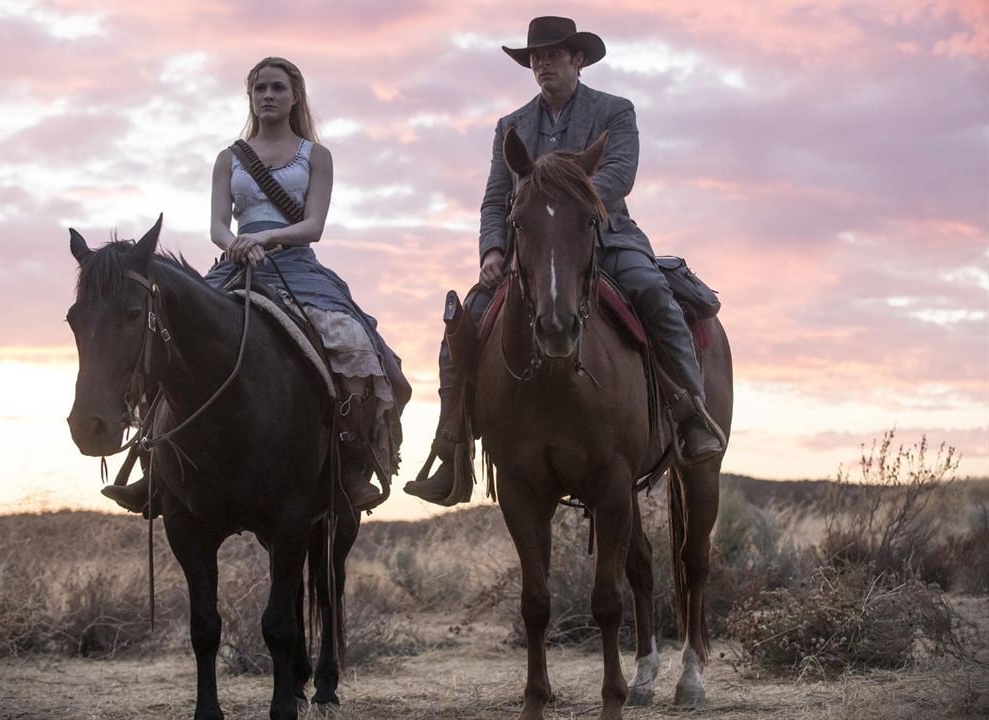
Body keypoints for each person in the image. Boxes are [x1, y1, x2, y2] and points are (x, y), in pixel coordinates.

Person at [405, 16, 725, 505]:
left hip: (605, 236)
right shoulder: (510, 126)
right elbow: (495, 196)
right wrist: (493, 248)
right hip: (529, 250)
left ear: (578, 60)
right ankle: (452, 446)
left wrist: (566, 203)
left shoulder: (615, 112)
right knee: (464, 322)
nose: (542, 63)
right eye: (535, 56)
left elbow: (619, 174)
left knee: (653, 293)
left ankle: (690, 412)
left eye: (553, 54)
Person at [103, 56, 410, 515]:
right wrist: (236, 245)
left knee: (357, 346)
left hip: (298, 266)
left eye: (278, 88)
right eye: (260, 88)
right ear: (250, 97)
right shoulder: (229, 157)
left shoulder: (316, 156)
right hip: (235, 266)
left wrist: (263, 238)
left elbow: (313, 226)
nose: (268, 95)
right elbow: (217, 227)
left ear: (295, 96)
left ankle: (351, 461)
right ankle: (152, 463)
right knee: (174, 336)